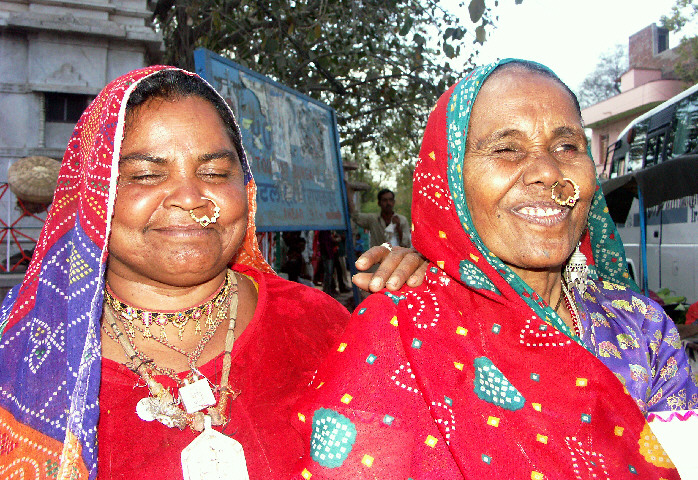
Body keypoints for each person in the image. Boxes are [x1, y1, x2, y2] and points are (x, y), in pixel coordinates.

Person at [0, 66, 425, 479]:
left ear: (246, 187)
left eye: (215, 173)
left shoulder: (322, 326)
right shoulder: (22, 357)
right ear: (92, 195)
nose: (189, 198)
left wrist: (435, 309)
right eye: (147, 175)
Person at [291, 60, 696, 479]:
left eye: (567, 147)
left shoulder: (642, 329)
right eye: (507, 148)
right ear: (450, 179)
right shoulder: (397, 334)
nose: (547, 171)